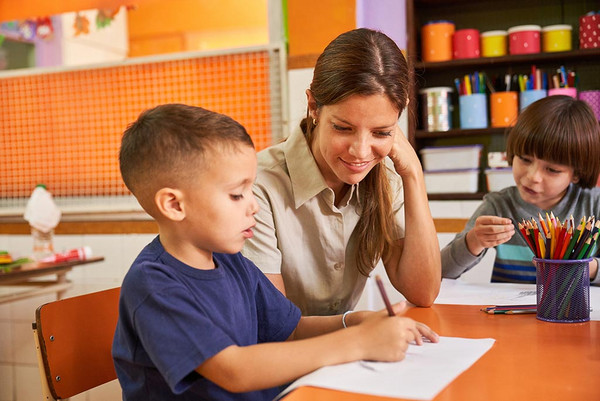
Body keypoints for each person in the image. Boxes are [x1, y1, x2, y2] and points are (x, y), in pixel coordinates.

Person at [112, 104, 439, 401]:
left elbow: (291, 329)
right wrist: (359, 342)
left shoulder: (231, 263)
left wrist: (354, 322)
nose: (253, 205)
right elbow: (234, 370)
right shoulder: (155, 285)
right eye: (237, 195)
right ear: (174, 204)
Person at [242, 28, 441, 316]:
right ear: (313, 107)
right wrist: (357, 329)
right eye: (343, 128)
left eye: (382, 132)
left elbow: (422, 292)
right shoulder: (259, 184)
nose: (361, 151)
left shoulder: (387, 176)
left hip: (343, 352)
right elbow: (274, 324)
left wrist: (413, 174)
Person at [442, 95, 600, 284]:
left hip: (575, 311)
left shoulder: (594, 205)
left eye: (552, 170)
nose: (533, 176)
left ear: (577, 173)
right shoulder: (499, 206)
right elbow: (442, 270)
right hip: (509, 312)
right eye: (525, 159)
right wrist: (474, 240)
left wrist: (587, 268)